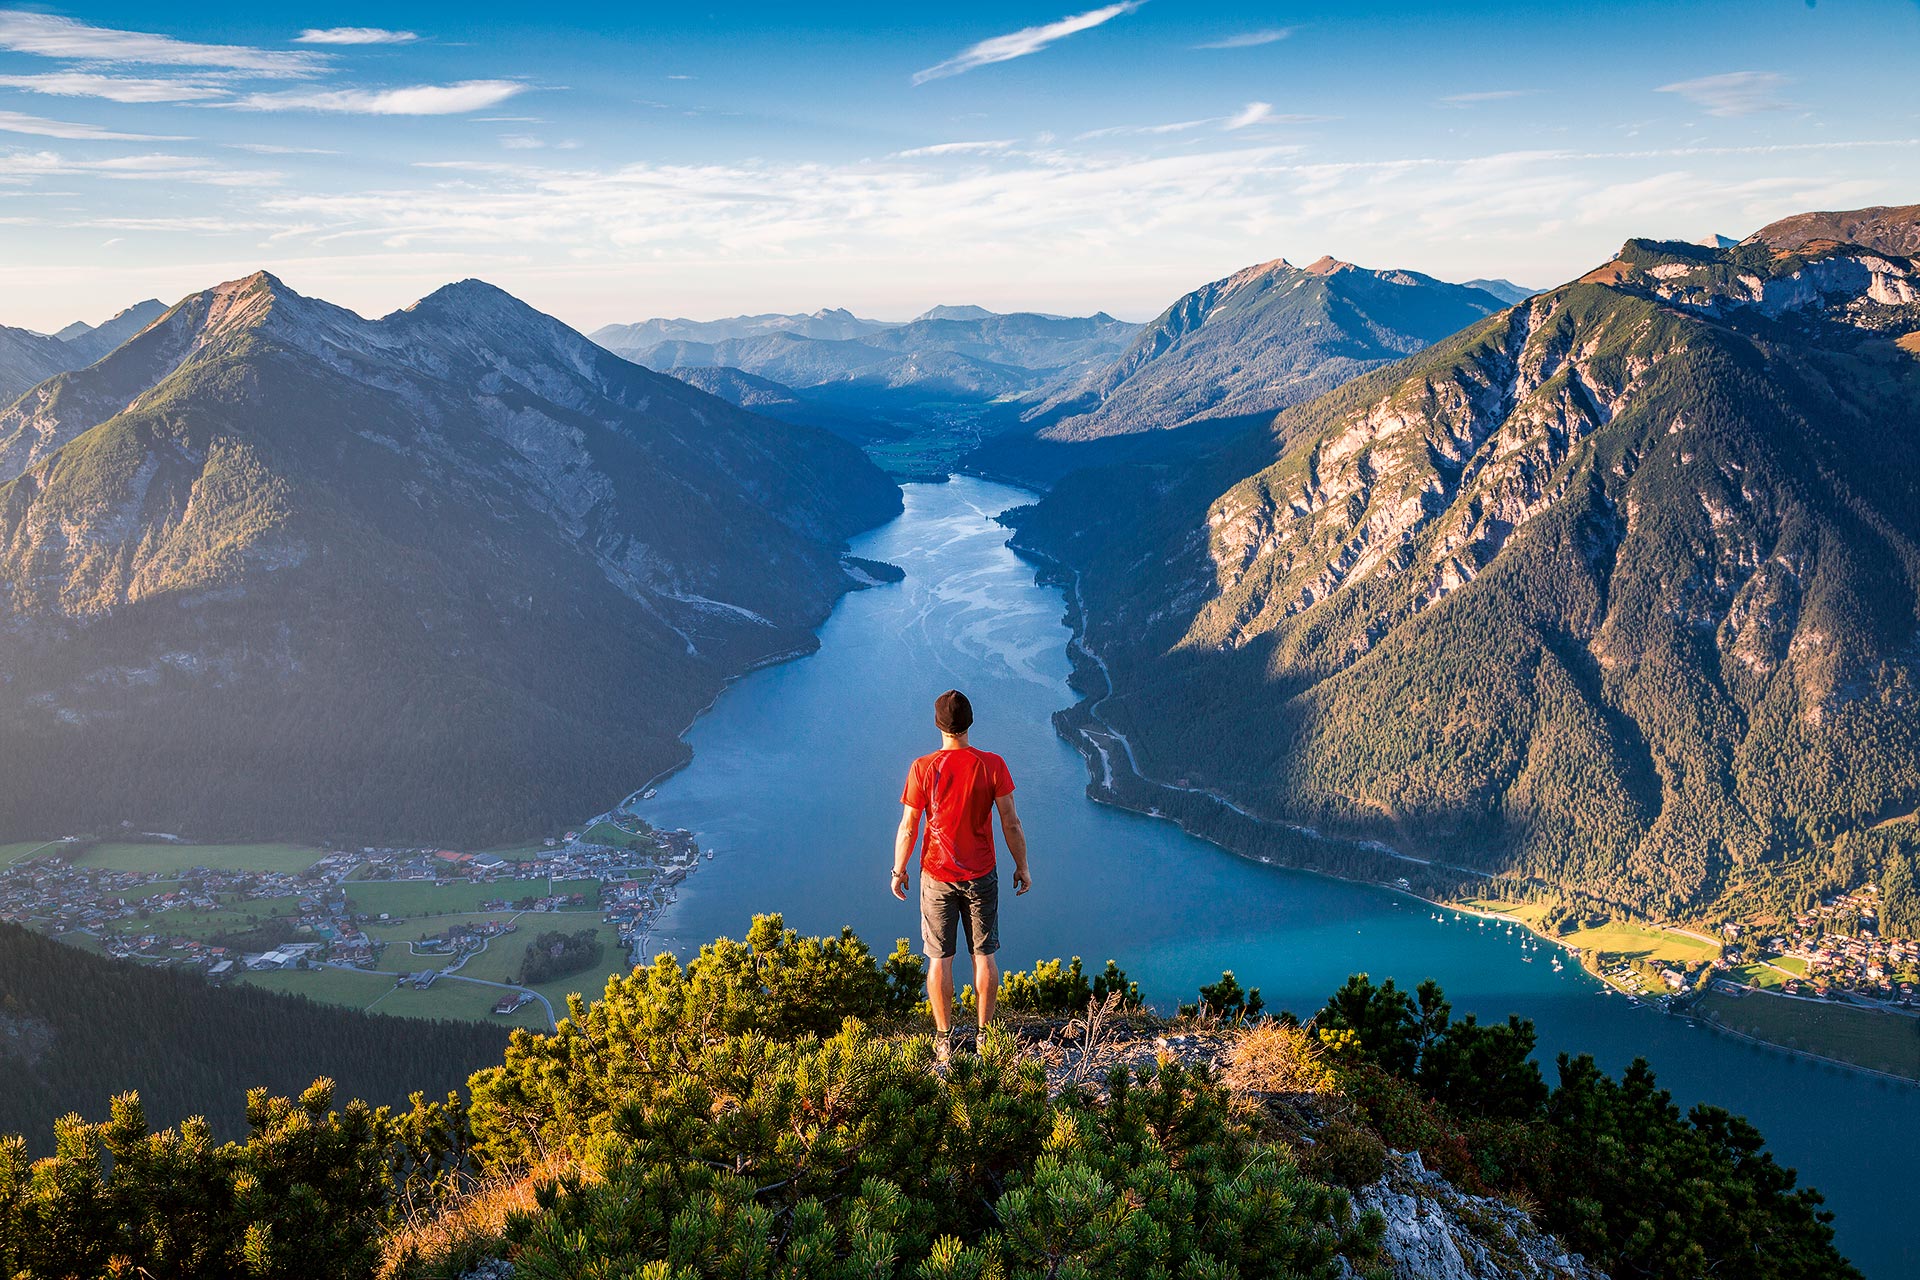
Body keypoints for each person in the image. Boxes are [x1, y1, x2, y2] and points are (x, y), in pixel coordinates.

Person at [892, 689, 1030, 1060]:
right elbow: (1011, 823)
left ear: (938, 724)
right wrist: (1022, 866)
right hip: (981, 874)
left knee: (939, 959)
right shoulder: (992, 765)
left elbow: (909, 827)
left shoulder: (922, 768)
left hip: (936, 876)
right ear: (969, 722)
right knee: (983, 956)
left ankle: (943, 1040)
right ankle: (985, 1037)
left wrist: (899, 870)